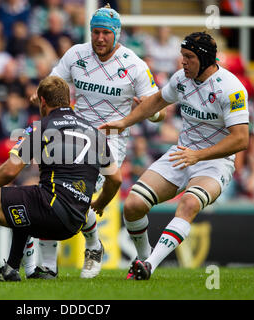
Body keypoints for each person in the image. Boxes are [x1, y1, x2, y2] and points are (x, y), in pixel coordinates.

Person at [0, 75, 122, 283]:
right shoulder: (95, 133)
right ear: (68, 100)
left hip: (49, 210)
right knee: (23, 198)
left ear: (42, 101)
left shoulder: (41, 127)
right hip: (76, 221)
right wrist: (100, 203)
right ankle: (11, 268)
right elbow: (115, 179)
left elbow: (9, 171)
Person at [28, 4, 163, 279]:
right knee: (50, 191)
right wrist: (38, 94)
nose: (99, 38)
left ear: (117, 34)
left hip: (110, 141)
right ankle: (48, 268)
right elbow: (52, 83)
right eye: (95, 32)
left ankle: (92, 246)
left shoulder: (134, 65)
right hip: (72, 132)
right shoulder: (76, 54)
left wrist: (151, 111)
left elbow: (157, 110)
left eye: (105, 33)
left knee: (69, 194)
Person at [99, 31, 250, 280]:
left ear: (204, 58)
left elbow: (241, 139)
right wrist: (125, 122)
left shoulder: (232, 89)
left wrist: (198, 156)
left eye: (189, 57)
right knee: (134, 205)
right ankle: (143, 261)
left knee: (189, 204)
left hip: (214, 163)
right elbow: (157, 100)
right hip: (182, 154)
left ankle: (150, 266)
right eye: (182, 56)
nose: (183, 62)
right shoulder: (182, 78)